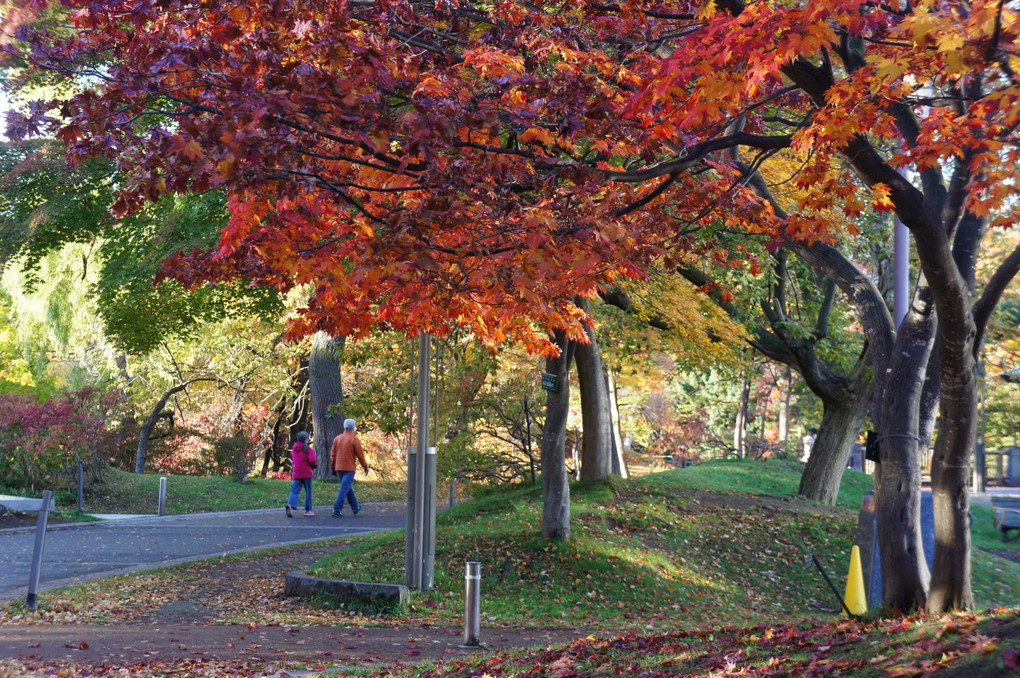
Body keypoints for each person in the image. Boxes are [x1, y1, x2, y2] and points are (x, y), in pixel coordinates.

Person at [330, 418, 370, 517]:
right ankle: (337, 509)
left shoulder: (337, 438)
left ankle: (355, 507)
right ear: (353, 427)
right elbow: (360, 455)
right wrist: (365, 466)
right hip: (349, 468)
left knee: (347, 488)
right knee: (344, 488)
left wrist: (333, 467)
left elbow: (333, 455)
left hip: (339, 467)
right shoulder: (354, 439)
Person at [286, 431, 317, 517]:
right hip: (306, 473)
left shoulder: (294, 449)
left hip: (297, 472)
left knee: (294, 491)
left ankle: (290, 505)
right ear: (305, 439)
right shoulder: (308, 449)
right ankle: (308, 510)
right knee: (308, 491)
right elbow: (312, 460)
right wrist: (313, 466)